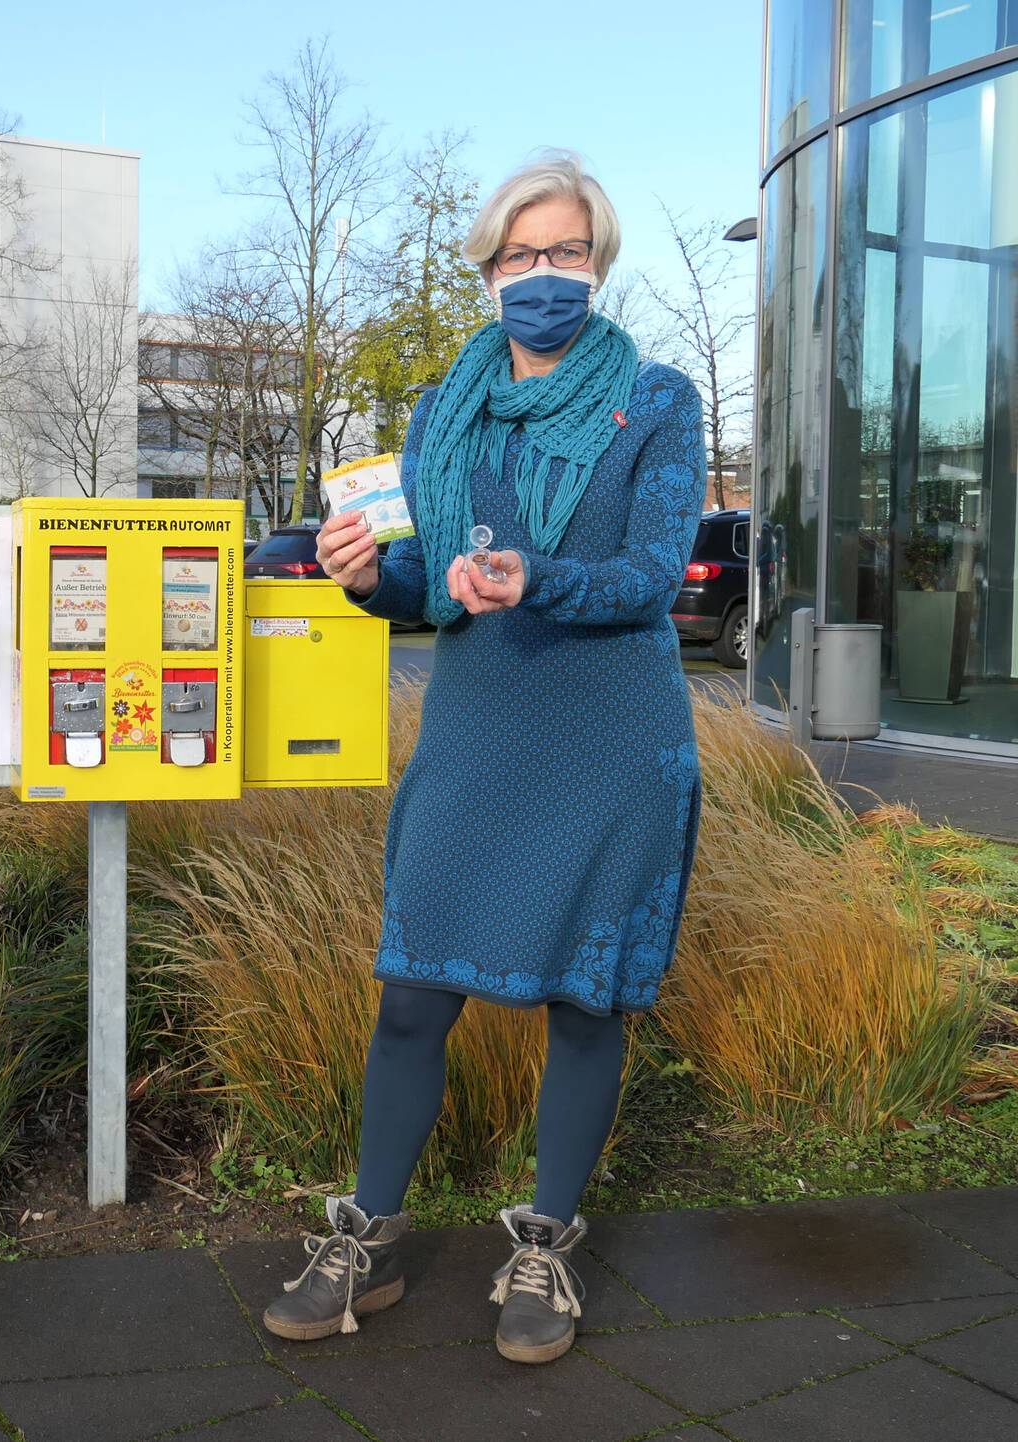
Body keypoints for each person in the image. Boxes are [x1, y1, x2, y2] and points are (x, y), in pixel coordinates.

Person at [261, 152, 705, 1365]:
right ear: (487, 268)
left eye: (564, 253)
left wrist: (537, 576)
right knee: (410, 991)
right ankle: (366, 1234)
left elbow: (652, 575)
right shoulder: (443, 412)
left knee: (582, 998)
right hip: (475, 728)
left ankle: (544, 1245)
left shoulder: (654, 399)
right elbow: (426, 584)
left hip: (609, 736)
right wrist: (365, 580)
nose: (542, 276)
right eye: (519, 256)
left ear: (596, 264)